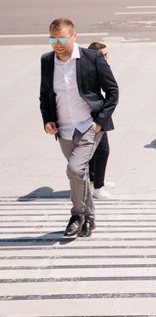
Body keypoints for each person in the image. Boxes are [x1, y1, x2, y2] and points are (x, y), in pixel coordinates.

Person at [39, 18, 119, 238]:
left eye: (62, 38)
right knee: (80, 174)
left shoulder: (92, 58)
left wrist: (99, 122)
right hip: (63, 129)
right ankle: (90, 218)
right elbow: (45, 96)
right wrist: (47, 120)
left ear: (74, 35)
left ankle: (76, 215)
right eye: (52, 39)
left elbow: (112, 92)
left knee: (74, 169)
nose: (57, 43)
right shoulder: (47, 61)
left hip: (88, 126)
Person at [87, 42, 115, 200]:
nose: (106, 57)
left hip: (97, 113)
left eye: (106, 54)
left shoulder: (90, 67)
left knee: (94, 151)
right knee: (102, 151)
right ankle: (98, 188)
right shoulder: (93, 69)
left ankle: (95, 180)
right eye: (103, 55)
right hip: (94, 115)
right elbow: (111, 90)